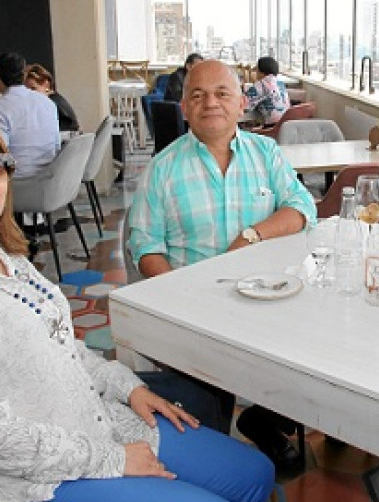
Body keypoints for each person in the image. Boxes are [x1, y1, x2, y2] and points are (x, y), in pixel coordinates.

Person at [0, 109, 274, 502]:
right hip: (29, 483)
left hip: (93, 420)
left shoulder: (8, 260)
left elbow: (63, 346)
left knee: (255, 476)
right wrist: (113, 460)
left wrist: (128, 387)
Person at [127, 59, 316, 469]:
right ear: (184, 107)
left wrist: (253, 234)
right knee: (208, 403)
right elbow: (144, 244)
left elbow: (303, 207)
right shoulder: (163, 168)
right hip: (197, 313)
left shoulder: (266, 153)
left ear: (242, 102)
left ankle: (264, 420)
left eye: (221, 93)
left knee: (323, 353)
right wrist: (179, 297)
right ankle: (219, 456)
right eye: (198, 95)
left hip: (270, 303)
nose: (210, 102)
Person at [0, 52, 60, 179]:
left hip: (17, 182)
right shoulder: (48, 102)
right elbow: (56, 146)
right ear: (24, 74)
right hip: (49, 180)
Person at [25, 63, 80, 132]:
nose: (30, 94)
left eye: (33, 89)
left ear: (46, 84)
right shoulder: (57, 99)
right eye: (26, 90)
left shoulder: (49, 104)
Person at [245, 56, 290, 127]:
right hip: (285, 126)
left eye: (256, 69)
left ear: (261, 71)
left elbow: (244, 105)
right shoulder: (280, 83)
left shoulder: (261, 84)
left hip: (272, 127)